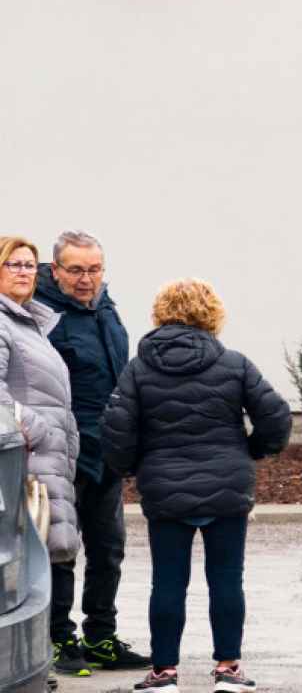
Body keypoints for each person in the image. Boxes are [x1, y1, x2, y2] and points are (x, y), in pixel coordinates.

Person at [102, 279, 293, 693]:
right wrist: (251, 451)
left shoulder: (139, 368)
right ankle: (228, 669)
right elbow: (277, 417)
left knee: (168, 581)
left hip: (164, 489)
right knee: (227, 578)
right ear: (212, 313)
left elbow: (115, 430)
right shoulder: (235, 363)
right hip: (227, 486)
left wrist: (133, 468)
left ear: (161, 313)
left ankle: (164, 674)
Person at [35, 232, 150, 673]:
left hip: (107, 451)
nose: (87, 280)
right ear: (57, 270)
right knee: (61, 548)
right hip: (63, 451)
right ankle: (59, 639)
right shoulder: (42, 315)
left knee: (108, 549)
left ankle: (101, 637)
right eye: (77, 270)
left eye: (95, 269)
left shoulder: (106, 308)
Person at [0, 237, 83, 670]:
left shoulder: (30, 323)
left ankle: (43, 655)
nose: (23, 271)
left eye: (30, 265)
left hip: (50, 461)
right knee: (28, 564)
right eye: (13, 263)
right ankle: (30, 661)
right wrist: (39, 430)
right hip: (24, 462)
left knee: (49, 557)